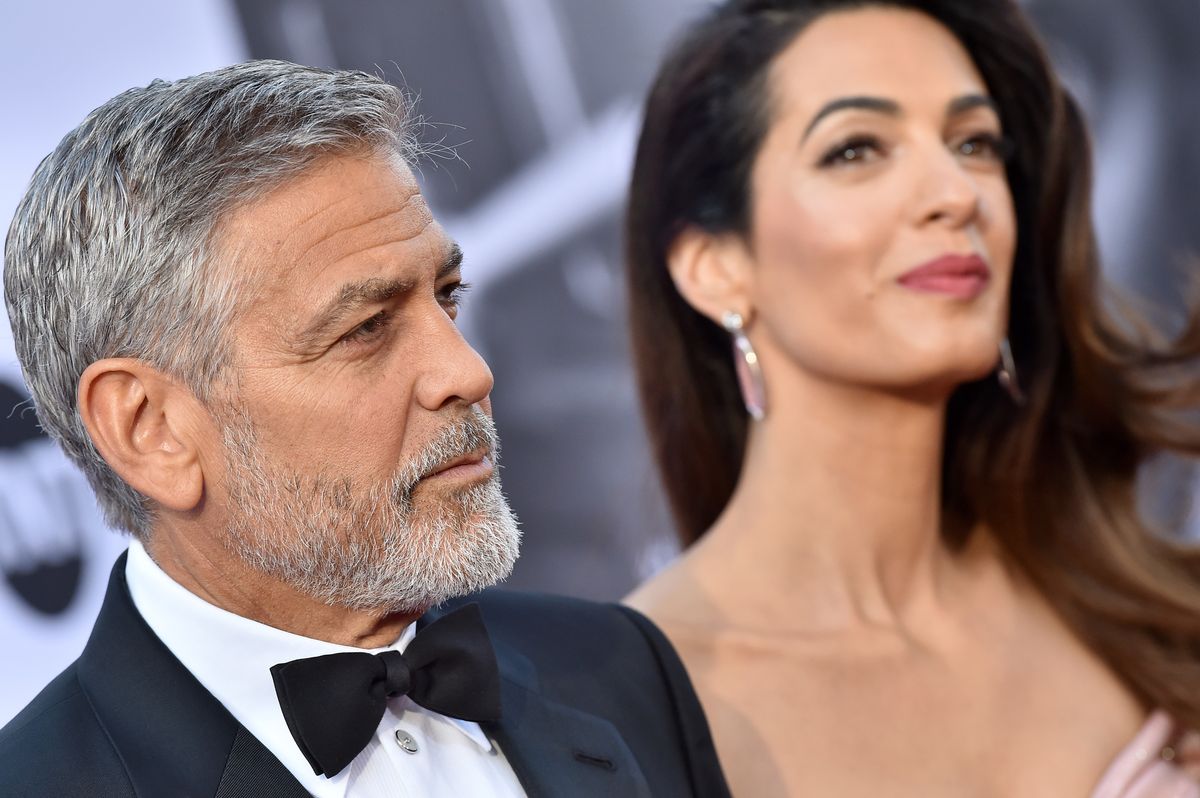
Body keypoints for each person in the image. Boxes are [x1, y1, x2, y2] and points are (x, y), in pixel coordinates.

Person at [0, 60, 728, 797]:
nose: (467, 372)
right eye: (367, 328)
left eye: (447, 296)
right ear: (151, 430)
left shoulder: (619, 666)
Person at [623, 0, 1200, 795]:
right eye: (856, 149)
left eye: (975, 143)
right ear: (715, 266)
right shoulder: (628, 708)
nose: (956, 192)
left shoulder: (1134, 602)